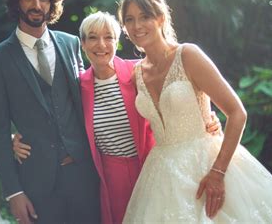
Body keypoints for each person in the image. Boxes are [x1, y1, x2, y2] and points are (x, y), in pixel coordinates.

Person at [117, 0, 272, 223]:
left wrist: (218, 172)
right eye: (129, 19)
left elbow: (237, 112)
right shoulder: (135, 74)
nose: (137, 26)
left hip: (207, 163)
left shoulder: (188, 55)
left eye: (144, 16)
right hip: (161, 174)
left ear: (160, 18)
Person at [13, 11, 222, 224]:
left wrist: (206, 117)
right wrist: (21, 137)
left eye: (108, 37)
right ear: (83, 45)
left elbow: (173, 101)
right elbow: (55, 118)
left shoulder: (139, 72)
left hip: (152, 168)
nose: (101, 44)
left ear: (117, 42)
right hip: (110, 178)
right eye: (92, 37)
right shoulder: (78, 87)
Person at [0, 0, 100, 224]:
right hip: (38, 186)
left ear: (51, 2)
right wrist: (14, 192)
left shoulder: (70, 44)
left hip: (85, 177)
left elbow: (91, 96)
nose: (37, 5)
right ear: (17, 1)